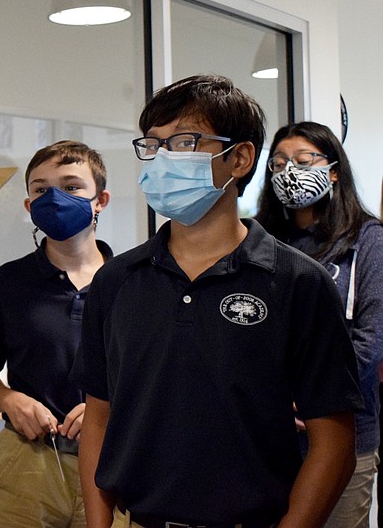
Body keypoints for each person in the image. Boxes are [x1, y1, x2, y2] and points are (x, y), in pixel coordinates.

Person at [73, 74, 363, 528]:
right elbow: (99, 419)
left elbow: (334, 440)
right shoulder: (116, 281)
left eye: (184, 142)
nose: (163, 159)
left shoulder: (298, 282)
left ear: (239, 158)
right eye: (153, 145)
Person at [0, 140, 112, 527]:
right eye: (42, 190)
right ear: (30, 206)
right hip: (29, 461)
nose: (56, 199)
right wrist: (10, 399)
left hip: (113, 456)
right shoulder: (6, 283)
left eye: (71, 186)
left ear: (100, 200)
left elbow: (155, 376)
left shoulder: (130, 283)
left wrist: (107, 408)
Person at [255, 121, 383, 528]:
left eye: (303, 160)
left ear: (333, 171)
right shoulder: (260, 240)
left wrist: (308, 398)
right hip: (267, 437)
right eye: (278, 163)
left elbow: (371, 339)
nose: (289, 171)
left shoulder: (367, 239)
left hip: (344, 432)